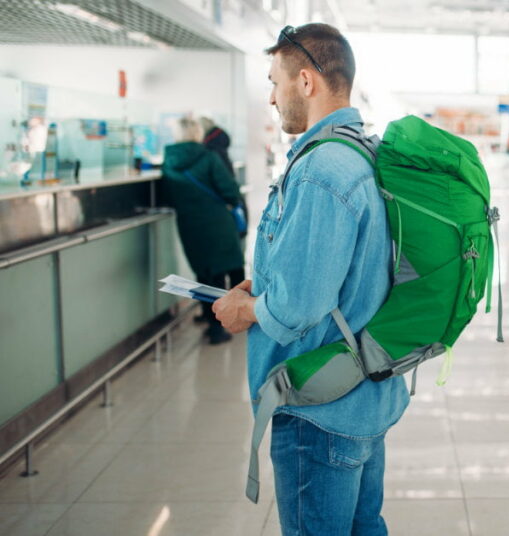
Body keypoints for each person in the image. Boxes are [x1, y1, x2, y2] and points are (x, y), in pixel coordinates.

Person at [211, 23, 408, 535]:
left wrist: (246, 309)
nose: (272, 99)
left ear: (305, 81)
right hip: (365, 392)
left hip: (320, 409)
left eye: (274, 83)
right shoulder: (367, 153)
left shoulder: (323, 171)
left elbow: (300, 306)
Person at [162, 116, 245, 345]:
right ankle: (229, 320)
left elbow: (168, 196)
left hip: (189, 224)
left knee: (203, 274)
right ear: (197, 133)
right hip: (217, 222)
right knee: (227, 269)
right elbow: (229, 190)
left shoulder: (168, 162)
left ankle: (211, 322)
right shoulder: (208, 157)